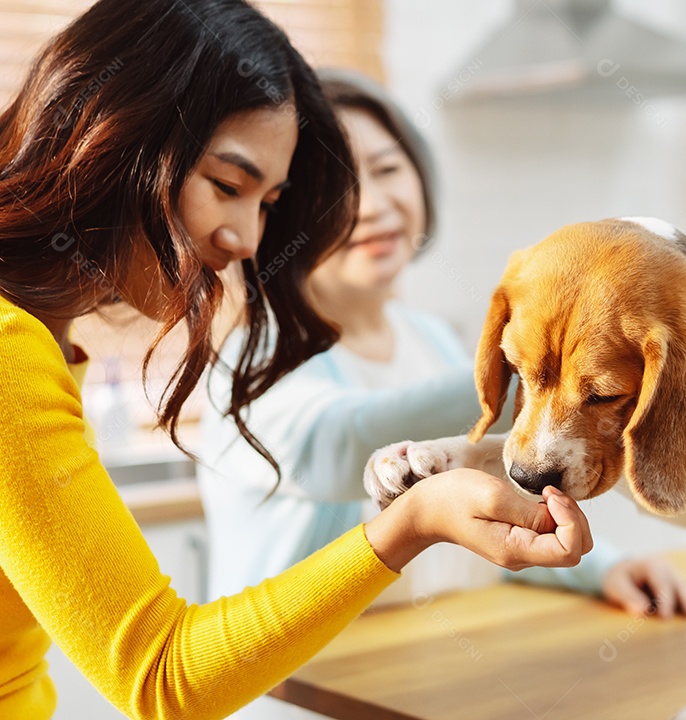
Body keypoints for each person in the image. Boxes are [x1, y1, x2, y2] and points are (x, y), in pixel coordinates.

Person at [0, 2, 592, 719]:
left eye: (268, 202)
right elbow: (161, 677)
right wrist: (413, 521)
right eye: (226, 185)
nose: (247, 238)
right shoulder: (10, 352)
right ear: (112, 130)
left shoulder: (50, 340)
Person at [198, 68, 686, 618]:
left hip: (430, 668)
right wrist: (542, 363)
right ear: (273, 214)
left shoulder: (428, 337)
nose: (372, 204)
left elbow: (499, 481)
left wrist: (604, 566)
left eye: (387, 168)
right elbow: (341, 448)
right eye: (333, 187)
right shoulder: (249, 361)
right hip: (295, 691)